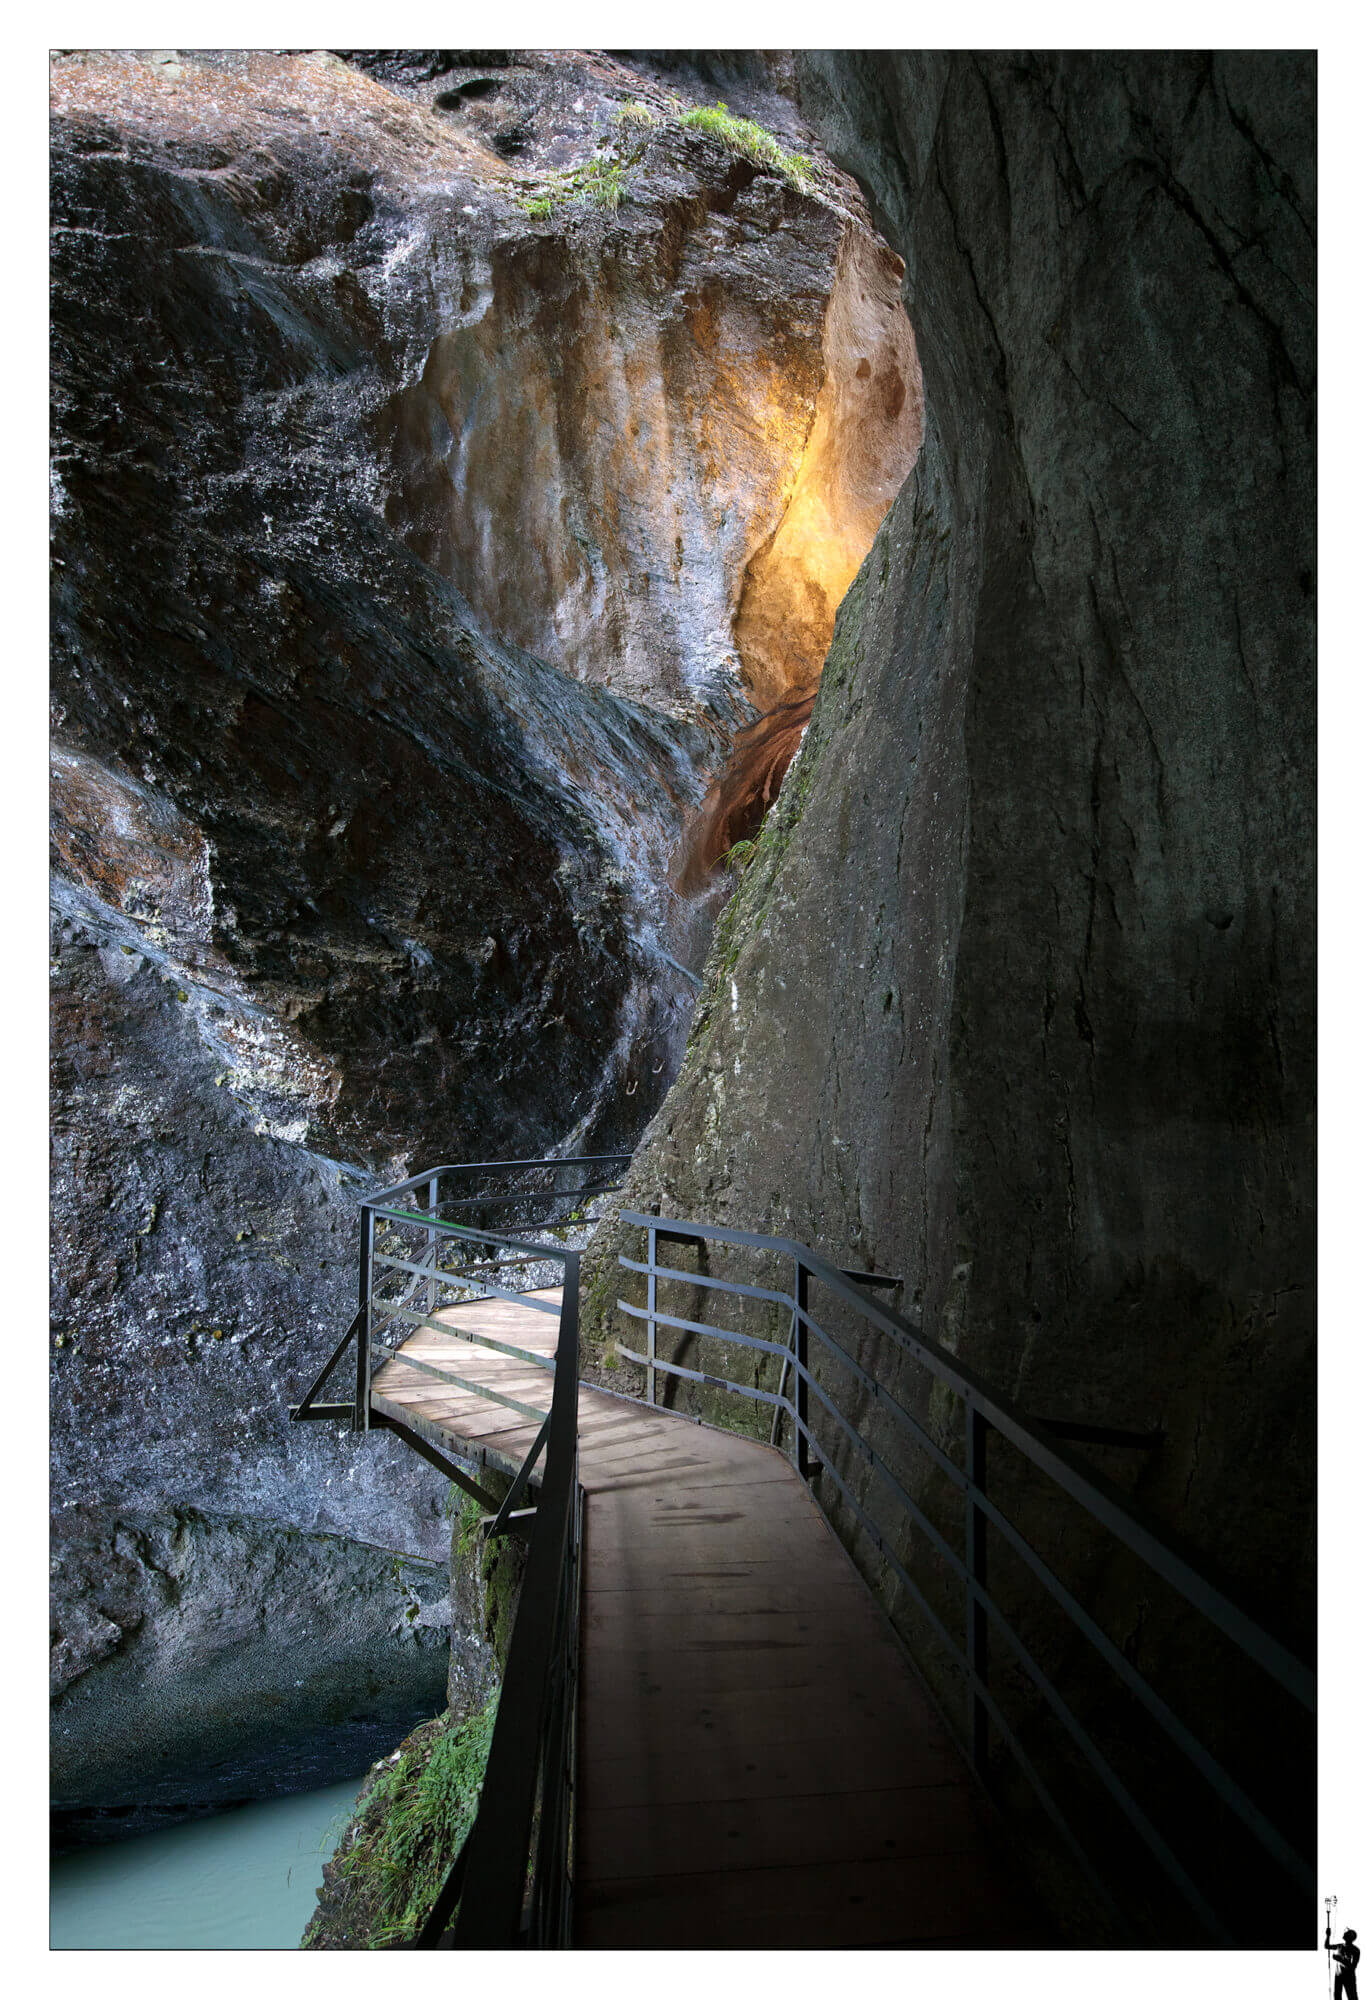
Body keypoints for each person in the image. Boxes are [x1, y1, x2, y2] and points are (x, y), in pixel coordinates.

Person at [1327, 1924, 1360, 2000]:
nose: (1344, 1933)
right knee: (1337, 1997)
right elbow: (1327, 1946)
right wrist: (1328, 1935)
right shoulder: (1340, 1946)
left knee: (1352, 1997)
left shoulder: (1355, 1950)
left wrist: (1340, 1959)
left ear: (1350, 1937)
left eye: (1346, 1933)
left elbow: (1352, 1967)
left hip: (1349, 1977)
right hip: (1338, 1976)